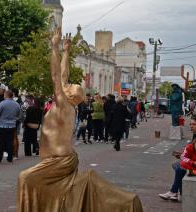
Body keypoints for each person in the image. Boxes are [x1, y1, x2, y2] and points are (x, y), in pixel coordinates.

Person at [17, 28, 142, 212]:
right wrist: (66, 51)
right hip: (58, 158)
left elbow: (55, 76)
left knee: (25, 178)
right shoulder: (67, 104)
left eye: (69, 88)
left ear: (70, 97)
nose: (65, 86)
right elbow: (63, 76)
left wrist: (54, 47)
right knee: (47, 190)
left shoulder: (64, 107)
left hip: (59, 161)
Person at [159, 115, 196, 201]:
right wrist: (182, 154)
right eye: (190, 124)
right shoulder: (194, 135)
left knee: (179, 168)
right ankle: (176, 192)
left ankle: (175, 192)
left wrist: (183, 157)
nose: (191, 126)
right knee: (176, 165)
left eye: (194, 124)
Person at [0, 90, 20, 163]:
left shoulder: (2, 103)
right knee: (10, 142)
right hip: (12, 126)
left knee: (1, 143)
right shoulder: (16, 104)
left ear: (6, 95)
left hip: (2, 125)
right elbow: (19, 115)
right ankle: (10, 158)